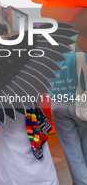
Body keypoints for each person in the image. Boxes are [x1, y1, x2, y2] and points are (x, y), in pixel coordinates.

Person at [0, 22, 59, 185]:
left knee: (6, 153)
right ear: (7, 34)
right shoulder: (21, 54)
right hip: (23, 109)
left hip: (2, 112)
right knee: (30, 146)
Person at [49, 48, 87, 185]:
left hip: (57, 106)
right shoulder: (81, 57)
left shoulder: (48, 61)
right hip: (81, 105)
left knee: (72, 152)